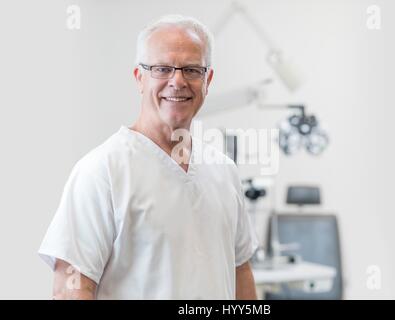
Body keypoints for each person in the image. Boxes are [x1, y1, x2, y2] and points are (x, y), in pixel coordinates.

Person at [38, 14, 259, 300]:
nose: (177, 81)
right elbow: (72, 286)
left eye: (192, 70)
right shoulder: (102, 171)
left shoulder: (224, 170)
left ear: (208, 80)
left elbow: (240, 270)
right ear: (139, 78)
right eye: (162, 68)